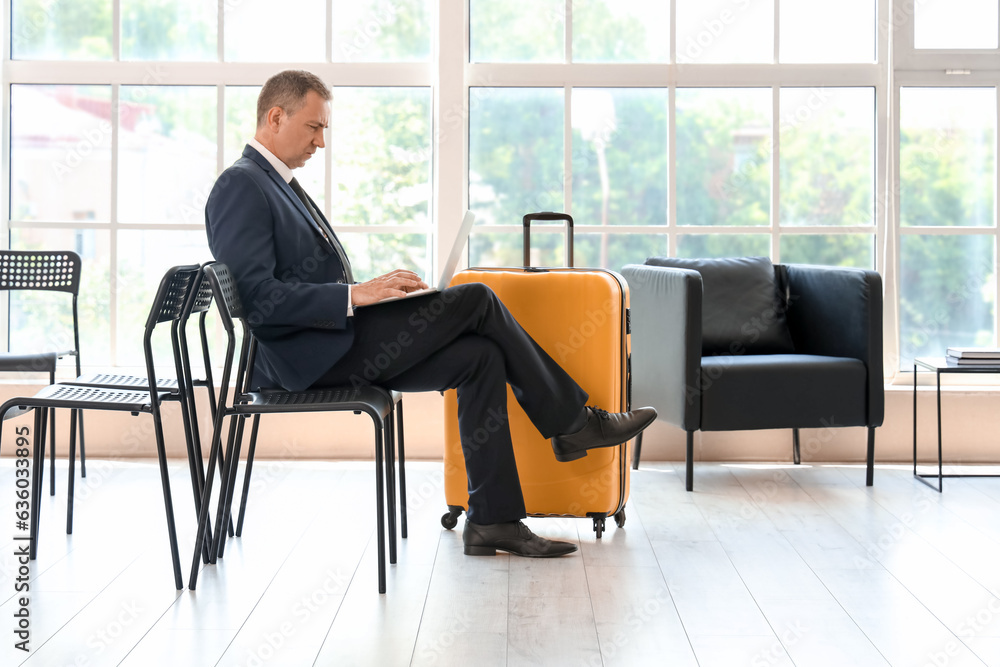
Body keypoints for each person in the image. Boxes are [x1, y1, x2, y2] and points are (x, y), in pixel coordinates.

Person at [205, 70, 656, 558]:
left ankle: (493, 521)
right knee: (477, 297)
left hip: (333, 340)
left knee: (481, 356)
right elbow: (256, 298)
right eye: (314, 127)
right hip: (305, 358)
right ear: (276, 116)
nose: (321, 141)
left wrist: (374, 295)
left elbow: (299, 280)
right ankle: (573, 423)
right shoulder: (241, 185)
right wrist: (354, 296)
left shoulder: (279, 183)